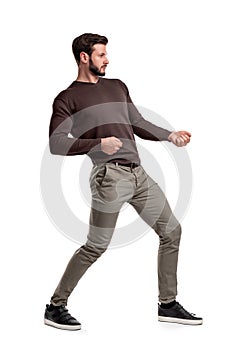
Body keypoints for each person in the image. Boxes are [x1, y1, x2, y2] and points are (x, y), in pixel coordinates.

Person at [44, 33, 203, 330]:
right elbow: (55, 143)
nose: (107, 59)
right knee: (96, 246)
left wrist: (170, 135)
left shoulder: (117, 86)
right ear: (84, 57)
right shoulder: (68, 98)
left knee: (172, 231)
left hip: (138, 174)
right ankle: (55, 306)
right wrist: (96, 144)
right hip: (109, 178)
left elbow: (138, 123)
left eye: (106, 54)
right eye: (101, 55)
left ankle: (167, 304)